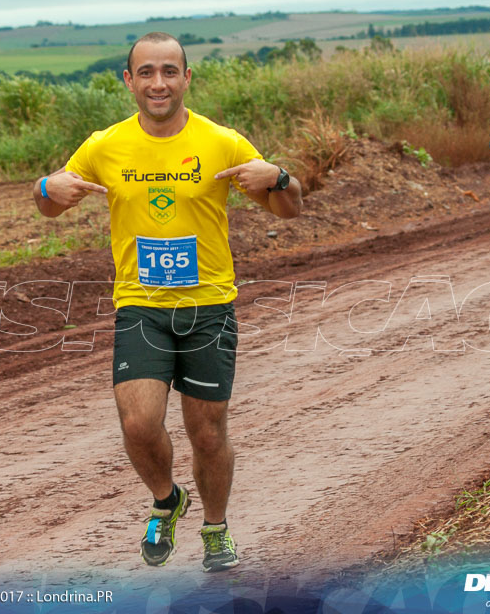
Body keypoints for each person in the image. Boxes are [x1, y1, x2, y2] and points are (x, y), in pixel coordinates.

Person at [32, 32, 302, 572]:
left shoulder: (222, 142)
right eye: (147, 72)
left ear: (187, 78)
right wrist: (43, 189)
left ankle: (216, 529)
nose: (159, 82)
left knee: (207, 433)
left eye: (170, 71)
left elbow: (289, 210)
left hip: (208, 307)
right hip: (141, 306)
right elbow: (51, 202)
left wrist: (281, 177)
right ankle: (166, 500)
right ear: (129, 81)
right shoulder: (104, 145)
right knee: (138, 424)